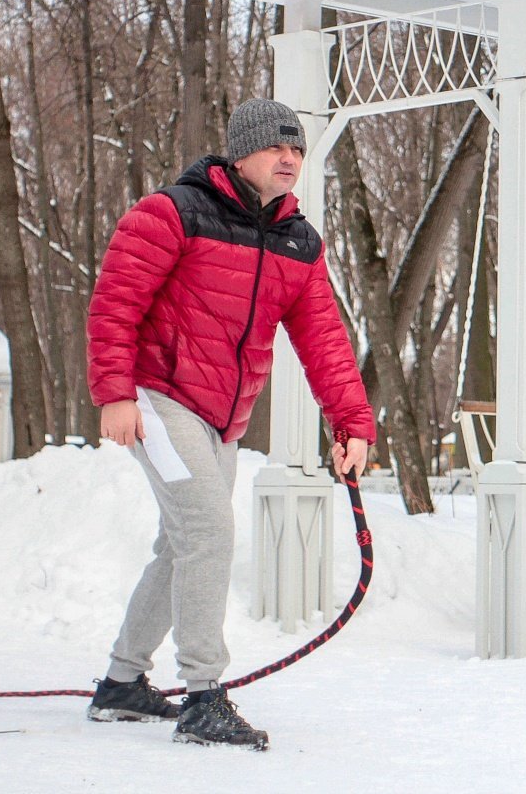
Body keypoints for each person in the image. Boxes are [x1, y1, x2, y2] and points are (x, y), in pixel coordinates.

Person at [83, 99, 375, 749]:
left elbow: (324, 339)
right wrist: (114, 393)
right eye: (278, 148)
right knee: (210, 531)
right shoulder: (174, 213)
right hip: (158, 397)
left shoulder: (297, 240)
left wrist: (351, 422)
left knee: (182, 543)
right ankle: (203, 696)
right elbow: (115, 302)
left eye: (297, 150)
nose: (290, 159)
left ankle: (122, 684)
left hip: (223, 418)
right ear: (241, 152)